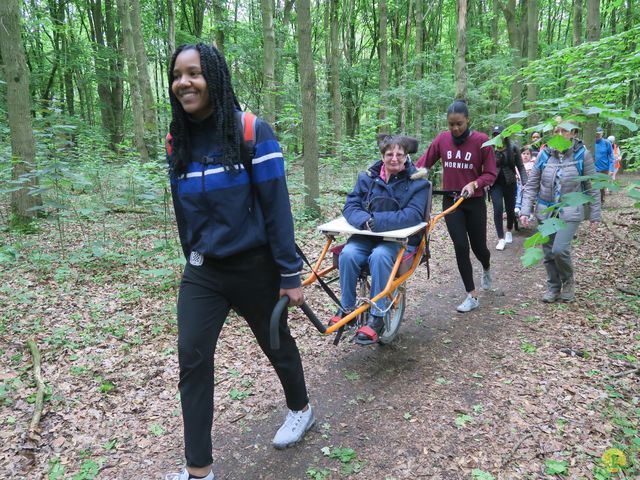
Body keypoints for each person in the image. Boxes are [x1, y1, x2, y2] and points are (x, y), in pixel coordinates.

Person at [165, 43, 314, 480]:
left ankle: (301, 408)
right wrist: (191, 253)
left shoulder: (252, 131)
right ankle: (200, 471)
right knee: (192, 360)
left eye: (193, 73)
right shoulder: (177, 139)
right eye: (177, 75)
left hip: (254, 266)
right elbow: (180, 207)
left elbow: (276, 207)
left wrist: (289, 272)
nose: (183, 83)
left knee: (276, 343)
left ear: (213, 77)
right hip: (203, 271)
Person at [333, 135, 429, 345]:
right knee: (348, 254)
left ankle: (377, 317)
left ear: (406, 157)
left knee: (380, 256)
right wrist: (365, 221)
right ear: (382, 156)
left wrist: (377, 222)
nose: (394, 159)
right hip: (366, 234)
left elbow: (412, 215)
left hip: (398, 241)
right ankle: (346, 309)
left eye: (399, 155)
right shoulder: (367, 178)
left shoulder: (418, 183)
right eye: (389, 154)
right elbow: (351, 205)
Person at [416, 100, 497, 312]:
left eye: (459, 124)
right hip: (451, 202)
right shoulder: (442, 139)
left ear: (468, 120)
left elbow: (490, 173)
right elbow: (423, 164)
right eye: (451, 124)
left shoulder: (482, 141)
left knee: (480, 248)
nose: (455, 128)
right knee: (461, 246)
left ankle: (486, 268)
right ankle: (472, 295)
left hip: (475, 202)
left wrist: (474, 183)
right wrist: (407, 174)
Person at [519, 123, 601, 303]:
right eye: (556, 130)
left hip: (570, 210)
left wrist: (595, 214)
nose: (560, 134)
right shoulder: (544, 154)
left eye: (564, 130)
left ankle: (568, 282)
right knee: (548, 252)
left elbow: (592, 186)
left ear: (573, 133)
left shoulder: (582, 155)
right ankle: (553, 287)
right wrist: (525, 210)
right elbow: (532, 184)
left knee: (559, 249)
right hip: (545, 210)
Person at [490, 125, 528, 250]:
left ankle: (508, 231)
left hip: (510, 183)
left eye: (499, 134)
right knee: (498, 208)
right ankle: (500, 238)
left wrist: (525, 182)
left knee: (510, 209)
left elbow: (521, 167)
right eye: (495, 134)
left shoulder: (513, 148)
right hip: (495, 184)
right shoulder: (490, 149)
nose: (497, 137)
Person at [594, 126, 614, 204]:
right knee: (592, 187)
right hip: (592, 169)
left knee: (601, 187)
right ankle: (593, 203)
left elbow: (611, 157)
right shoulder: (589, 143)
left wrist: (611, 169)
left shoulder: (606, 143)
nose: (597, 135)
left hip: (604, 170)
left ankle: (601, 201)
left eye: (599, 134)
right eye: (596, 134)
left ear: (602, 133)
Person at [515, 145, 536, 217]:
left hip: (530, 184)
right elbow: (516, 173)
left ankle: (529, 211)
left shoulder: (533, 164)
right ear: (520, 155)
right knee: (518, 189)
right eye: (523, 154)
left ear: (531, 155)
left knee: (527, 192)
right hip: (519, 183)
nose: (525, 156)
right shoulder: (518, 165)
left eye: (528, 154)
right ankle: (517, 207)